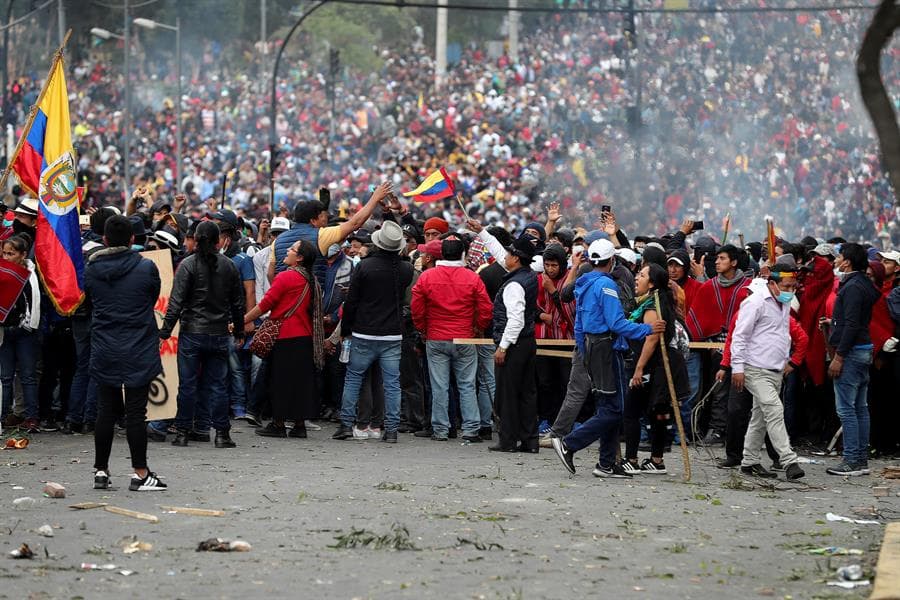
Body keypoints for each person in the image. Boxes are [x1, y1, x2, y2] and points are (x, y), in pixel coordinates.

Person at [551, 239, 665, 478]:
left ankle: (606, 463)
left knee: (607, 405)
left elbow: (580, 325)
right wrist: (648, 330)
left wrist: (584, 350)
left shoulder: (584, 281)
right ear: (612, 261)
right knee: (616, 409)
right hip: (605, 347)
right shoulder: (606, 285)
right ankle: (569, 444)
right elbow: (616, 323)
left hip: (592, 347)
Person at [84, 215, 166, 491]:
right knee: (136, 413)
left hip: (105, 345)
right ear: (133, 239)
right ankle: (140, 473)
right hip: (138, 346)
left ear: (104, 239)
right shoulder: (146, 268)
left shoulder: (92, 269)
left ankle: (101, 471)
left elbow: (90, 301)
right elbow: (151, 298)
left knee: (105, 410)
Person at [160, 221, 245, 449]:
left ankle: (182, 432)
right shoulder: (229, 266)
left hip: (192, 333)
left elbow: (175, 303)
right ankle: (221, 434)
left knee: (187, 385)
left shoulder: (188, 265)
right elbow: (238, 304)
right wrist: (238, 330)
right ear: (218, 241)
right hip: (218, 333)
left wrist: (165, 331)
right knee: (218, 385)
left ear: (196, 240)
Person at [332, 221, 414, 443]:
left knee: (354, 379)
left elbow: (352, 301)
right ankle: (392, 430)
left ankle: (346, 425)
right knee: (391, 383)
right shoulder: (405, 269)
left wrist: (346, 329)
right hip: (392, 333)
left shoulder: (365, 267)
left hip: (364, 331)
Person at [411, 235, 493, 442]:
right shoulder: (472, 277)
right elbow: (485, 308)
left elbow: (416, 308)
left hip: (436, 336)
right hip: (464, 337)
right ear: (462, 254)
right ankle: (471, 428)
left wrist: (423, 329)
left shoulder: (427, 277)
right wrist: (478, 327)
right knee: (467, 385)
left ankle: (440, 429)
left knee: (439, 386)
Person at [729, 266, 806, 480]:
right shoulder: (754, 303)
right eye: (786, 286)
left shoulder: (785, 301)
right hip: (755, 368)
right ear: (771, 284)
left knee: (760, 418)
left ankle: (749, 461)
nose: (790, 290)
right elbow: (739, 336)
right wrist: (737, 368)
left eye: (793, 286)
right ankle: (789, 460)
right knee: (774, 409)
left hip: (776, 370)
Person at [245, 240, 325, 438]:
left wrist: (242, 321)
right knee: (300, 384)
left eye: (292, 249)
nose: (288, 251)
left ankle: (278, 423)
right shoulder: (311, 279)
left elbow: (265, 304)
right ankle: (299, 425)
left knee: (279, 382)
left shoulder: (287, 277)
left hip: (284, 336)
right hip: (305, 337)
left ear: (299, 258)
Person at [622, 263, 690, 475]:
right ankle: (656, 461)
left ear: (651, 283)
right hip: (657, 365)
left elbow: (652, 339)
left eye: (641, 275)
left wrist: (639, 370)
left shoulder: (653, 305)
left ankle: (631, 460)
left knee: (632, 412)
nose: (636, 278)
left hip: (653, 365)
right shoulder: (653, 301)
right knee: (657, 413)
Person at [684, 244, 750, 446]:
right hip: (716, 350)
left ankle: (741, 434)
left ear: (734, 262)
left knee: (742, 394)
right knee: (718, 392)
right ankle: (717, 430)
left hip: (744, 350)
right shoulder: (709, 287)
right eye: (717, 258)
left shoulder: (748, 287)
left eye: (722, 258)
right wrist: (710, 342)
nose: (717, 262)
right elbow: (699, 317)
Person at [826, 242, 880, 476]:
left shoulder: (852, 287)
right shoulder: (862, 284)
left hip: (852, 352)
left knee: (847, 409)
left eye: (839, 256)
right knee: (860, 407)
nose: (836, 260)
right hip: (862, 349)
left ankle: (851, 460)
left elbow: (852, 324)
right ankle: (860, 459)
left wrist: (839, 357)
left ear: (847, 261)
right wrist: (834, 324)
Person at [489, 236, 541, 452]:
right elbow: (499, 254)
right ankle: (530, 441)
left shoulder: (514, 285)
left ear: (517, 259)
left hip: (514, 344)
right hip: (528, 341)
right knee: (527, 393)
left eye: (510, 253)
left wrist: (503, 346)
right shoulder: (528, 275)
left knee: (508, 393)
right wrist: (482, 232)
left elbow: (516, 320)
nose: (506, 256)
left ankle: (508, 439)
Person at [0, 234, 40, 431]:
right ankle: (4, 415)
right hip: (5, 331)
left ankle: (31, 417)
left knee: (27, 375)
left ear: (23, 255)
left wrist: (30, 324)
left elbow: (35, 302)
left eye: (11, 254)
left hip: (26, 331)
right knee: (6, 377)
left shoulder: (31, 274)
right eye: (5, 253)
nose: (7, 257)